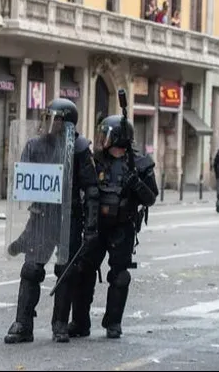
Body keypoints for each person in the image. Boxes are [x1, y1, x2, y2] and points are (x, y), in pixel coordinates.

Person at [3, 98, 95, 344]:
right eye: (48, 117)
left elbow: (92, 190)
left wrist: (91, 226)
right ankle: (23, 323)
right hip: (42, 215)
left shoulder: (79, 148)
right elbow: (23, 179)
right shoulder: (34, 145)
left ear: (67, 124)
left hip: (70, 217)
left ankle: (60, 324)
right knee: (31, 268)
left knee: (65, 271)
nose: (50, 123)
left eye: (56, 119)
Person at [67, 110, 158, 341]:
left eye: (107, 135)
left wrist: (136, 184)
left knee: (119, 276)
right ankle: (79, 322)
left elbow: (150, 198)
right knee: (83, 271)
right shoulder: (94, 160)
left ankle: (113, 323)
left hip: (122, 226)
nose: (102, 140)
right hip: (95, 226)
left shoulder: (139, 163)